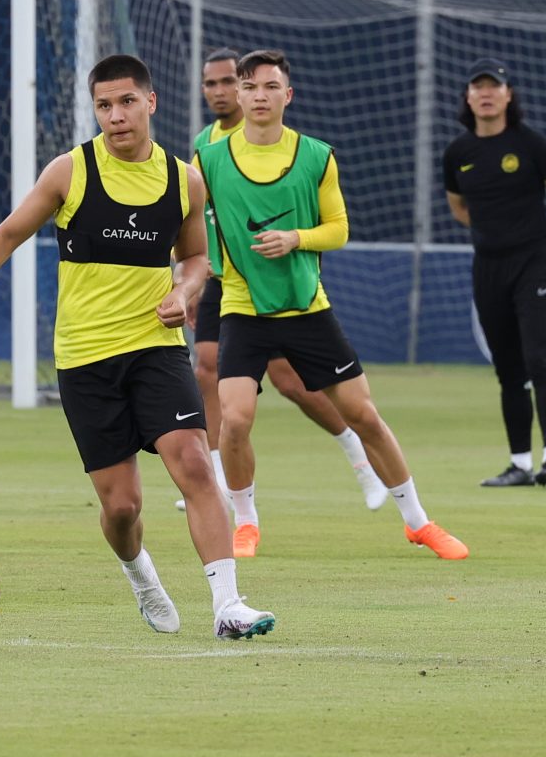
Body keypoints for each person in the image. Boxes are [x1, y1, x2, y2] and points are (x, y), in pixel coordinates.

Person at [0, 53, 275, 640]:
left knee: (192, 461)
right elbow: (9, 233)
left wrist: (184, 293)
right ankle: (140, 577)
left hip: (155, 349)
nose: (116, 116)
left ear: (151, 102)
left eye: (126, 102)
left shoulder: (182, 178)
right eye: (104, 105)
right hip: (85, 360)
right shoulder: (70, 171)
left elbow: (195, 259)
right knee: (122, 508)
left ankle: (227, 605)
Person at [199, 50, 468, 563]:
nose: (259, 95)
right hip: (242, 309)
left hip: (308, 310)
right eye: (249, 86)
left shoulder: (317, 156)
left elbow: (338, 229)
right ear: (238, 94)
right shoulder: (207, 159)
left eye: (270, 87)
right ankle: (246, 523)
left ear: (287, 95)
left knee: (364, 416)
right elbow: (189, 218)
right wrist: (196, 267)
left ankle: (418, 522)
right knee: (234, 421)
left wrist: (296, 238)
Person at [189, 47, 388, 515]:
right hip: (226, 277)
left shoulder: (287, 144)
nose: (220, 91)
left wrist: (295, 239)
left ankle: (358, 456)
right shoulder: (207, 144)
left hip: (274, 277)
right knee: (206, 366)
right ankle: (221, 476)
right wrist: (191, 277)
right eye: (212, 84)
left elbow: (328, 221)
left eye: (226, 81)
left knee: (292, 383)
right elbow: (197, 217)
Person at [441, 59, 546, 488]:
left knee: (539, 358)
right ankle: (519, 464)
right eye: (478, 87)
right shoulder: (458, 152)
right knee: (508, 369)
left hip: (535, 261)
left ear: (508, 95)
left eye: (495, 86)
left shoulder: (531, 144)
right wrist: (491, 227)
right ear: (469, 97)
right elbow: (459, 207)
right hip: (487, 266)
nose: (486, 93)